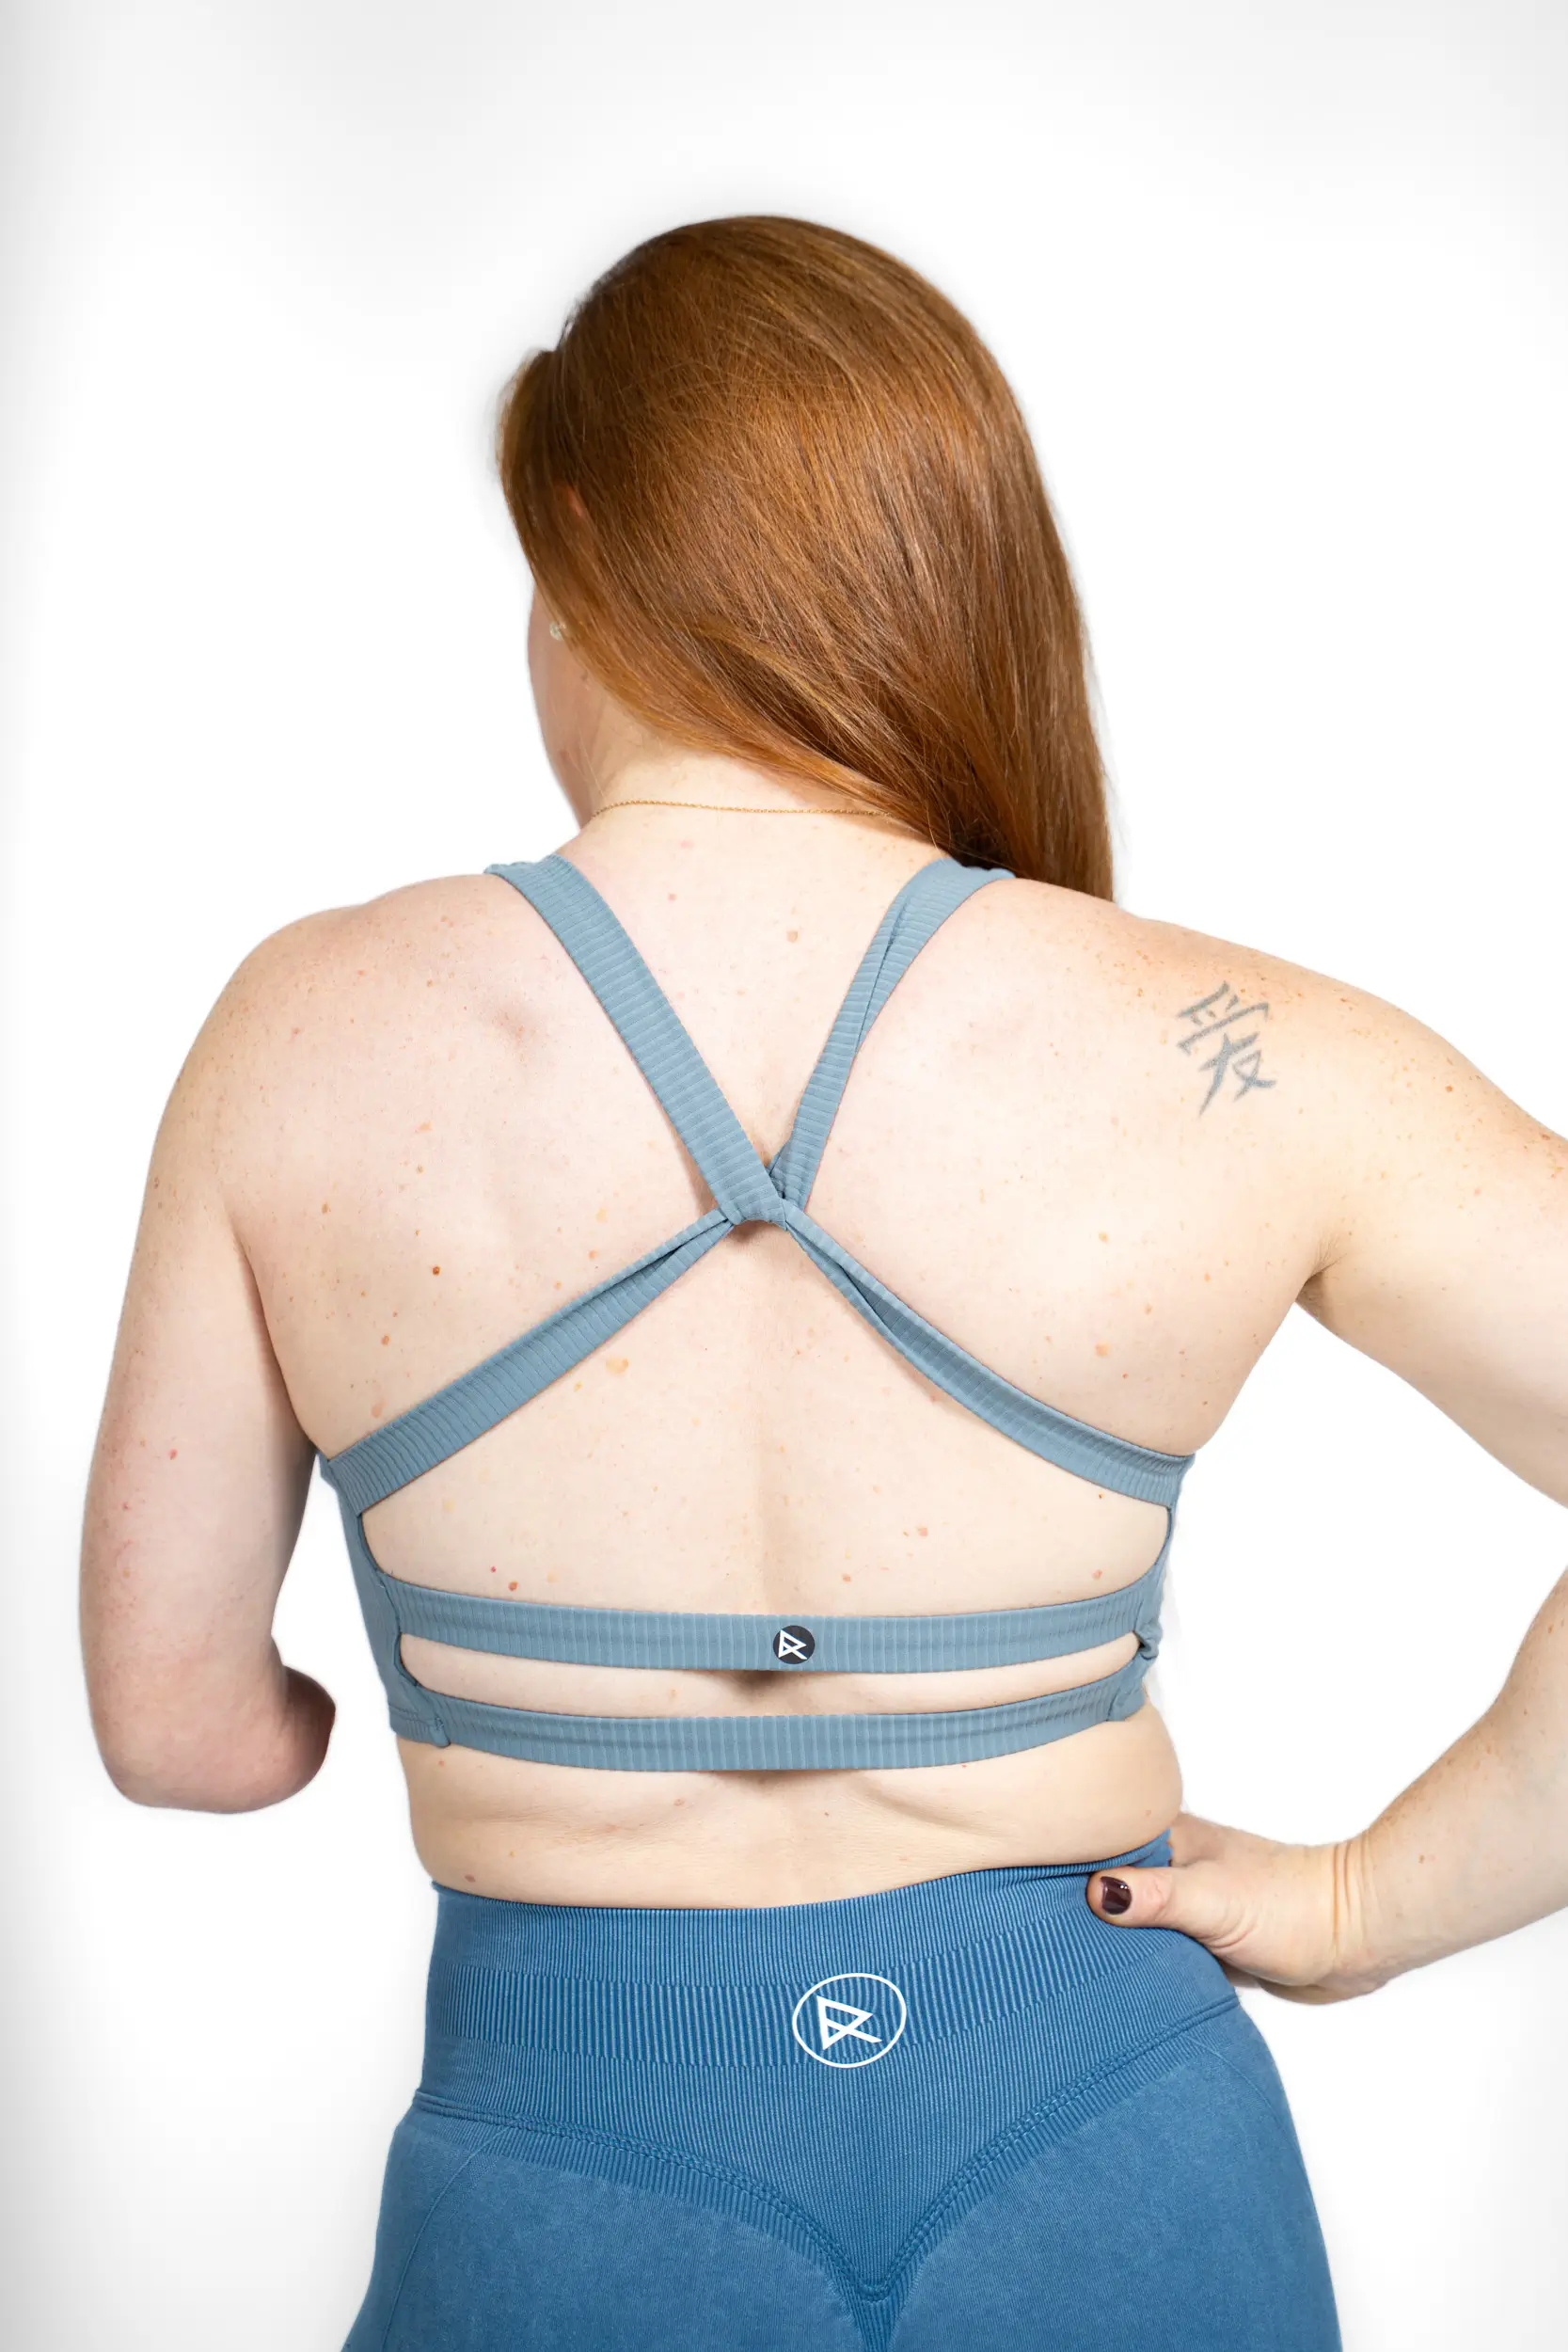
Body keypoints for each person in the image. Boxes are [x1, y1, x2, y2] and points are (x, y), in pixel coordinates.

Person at [79, 216, 1567, 2351]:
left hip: (572, 2160)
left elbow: (180, 1731)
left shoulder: (303, 1030)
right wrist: (1359, 1903)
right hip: (1106, 2137)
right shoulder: (1237, 1049)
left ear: (578, 561)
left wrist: (327, 1711)